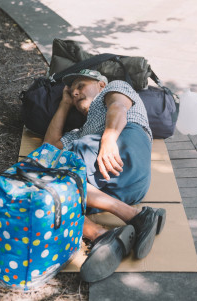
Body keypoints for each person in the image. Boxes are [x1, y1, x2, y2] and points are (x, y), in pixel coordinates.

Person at [43, 69, 166, 282]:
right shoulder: (79, 132)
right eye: (72, 92)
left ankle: (134, 217)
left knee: (46, 172)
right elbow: (48, 148)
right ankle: (102, 235)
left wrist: (109, 139)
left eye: (80, 85)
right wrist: (64, 104)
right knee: (51, 201)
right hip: (128, 190)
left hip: (125, 147)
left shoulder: (114, 87)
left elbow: (118, 107)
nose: (75, 93)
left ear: (100, 84)